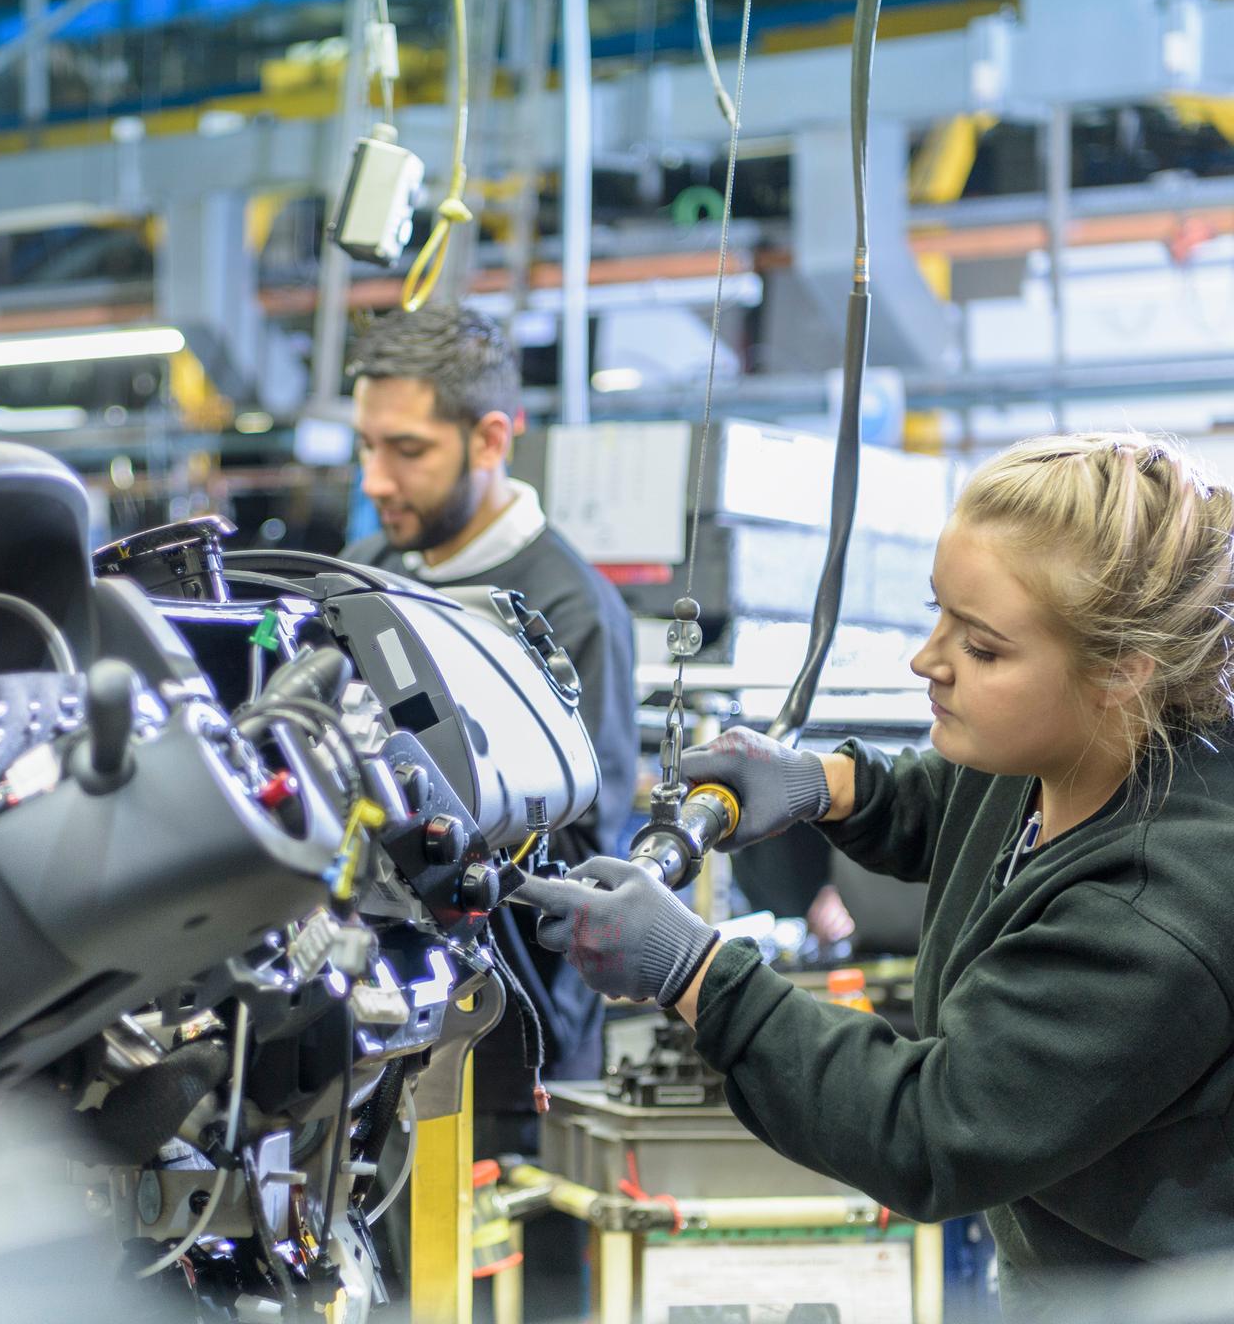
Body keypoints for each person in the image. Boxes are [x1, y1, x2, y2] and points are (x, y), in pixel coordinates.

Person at [520, 432, 1234, 1322]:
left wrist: (693, 973)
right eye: (937, 614)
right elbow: (960, 801)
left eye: (981, 647)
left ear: (1121, 673)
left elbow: (930, 1129)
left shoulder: (1159, 904)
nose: (927, 659)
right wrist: (822, 785)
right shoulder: (1075, 749)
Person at [340, 302, 637, 1088]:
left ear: (492, 439)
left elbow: (581, 859)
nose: (376, 481)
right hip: (377, 1032)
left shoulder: (569, 609)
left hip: (514, 1045)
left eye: (408, 451)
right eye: (367, 447)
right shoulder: (361, 574)